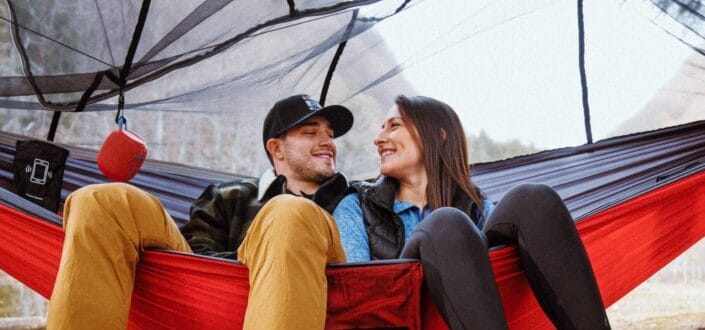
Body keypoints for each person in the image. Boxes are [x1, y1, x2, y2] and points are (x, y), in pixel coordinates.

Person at [47, 94, 354, 330]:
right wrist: (258, 260)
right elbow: (197, 263)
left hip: (325, 303)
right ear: (276, 149)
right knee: (99, 201)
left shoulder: (357, 201)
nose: (328, 142)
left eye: (329, 134)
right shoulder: (230, 196)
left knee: (291, 213)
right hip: (207, 301)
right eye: (311, 133)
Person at [333, 95, 611, 330]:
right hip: (404, 318)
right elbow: (356, 294)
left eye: (394, 126)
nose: (378, 139)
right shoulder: (357, 204)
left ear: (437, 136)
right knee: (445, 223)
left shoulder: (475, 207)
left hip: (481, 313)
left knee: (533, 198)